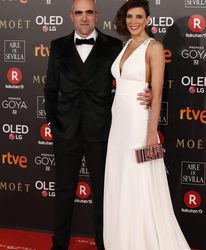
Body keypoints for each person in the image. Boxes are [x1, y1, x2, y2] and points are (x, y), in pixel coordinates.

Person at [44, 0, 150, 249]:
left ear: (96, 16)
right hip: (66, 131)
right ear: (71, 16)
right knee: (63, 192)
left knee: (104, 194)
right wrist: (54, 121)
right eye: (78, 13)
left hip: (102, 131)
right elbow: (50, 88)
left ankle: (104, 243)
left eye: (88, 12)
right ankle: (59, 245)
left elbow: (132, 75)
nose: (84, 18)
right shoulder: (58, 46)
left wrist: (150, 92)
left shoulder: (114, 46)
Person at [103, 0, 191, 249]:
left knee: (141, 178)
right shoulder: (126, 45)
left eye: (139, 16)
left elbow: (158, 91)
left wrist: (152, 132)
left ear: (148, 20)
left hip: (140, 123)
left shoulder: (154, 47)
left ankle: (143, 241)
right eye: (130, 16)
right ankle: (122, 239)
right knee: (121, 178)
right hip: (119, 121)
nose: (134, 21)